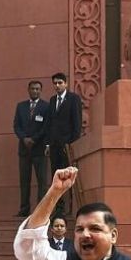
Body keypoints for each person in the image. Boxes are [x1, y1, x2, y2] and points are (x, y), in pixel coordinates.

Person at [45, 73, 83, 214]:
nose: (57, 85)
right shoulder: (52, 100)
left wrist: (71, 143)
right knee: (57, 176)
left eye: (60, 82)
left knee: (69, 176)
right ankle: (59, 208)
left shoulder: (73, 99)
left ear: (66, 83)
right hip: (54, 146)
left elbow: (77, 123)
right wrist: (48, 144)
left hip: (67, 145)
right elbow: (49, 124)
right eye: (55, 83)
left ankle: (71, 208)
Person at [14, 80, 51, 217]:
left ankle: (40, 211)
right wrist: (24, 138)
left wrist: (34, 139)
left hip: (39, 149)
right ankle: (24, 209)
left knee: (42, 181)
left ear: (41, 91)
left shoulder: (46, 107)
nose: (35, 91)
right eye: (33, 89)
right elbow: (16, 126)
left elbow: (46, 127)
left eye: (37, 89)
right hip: (24, 149)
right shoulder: (21, 106)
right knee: (24, 180)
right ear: (28, 90)